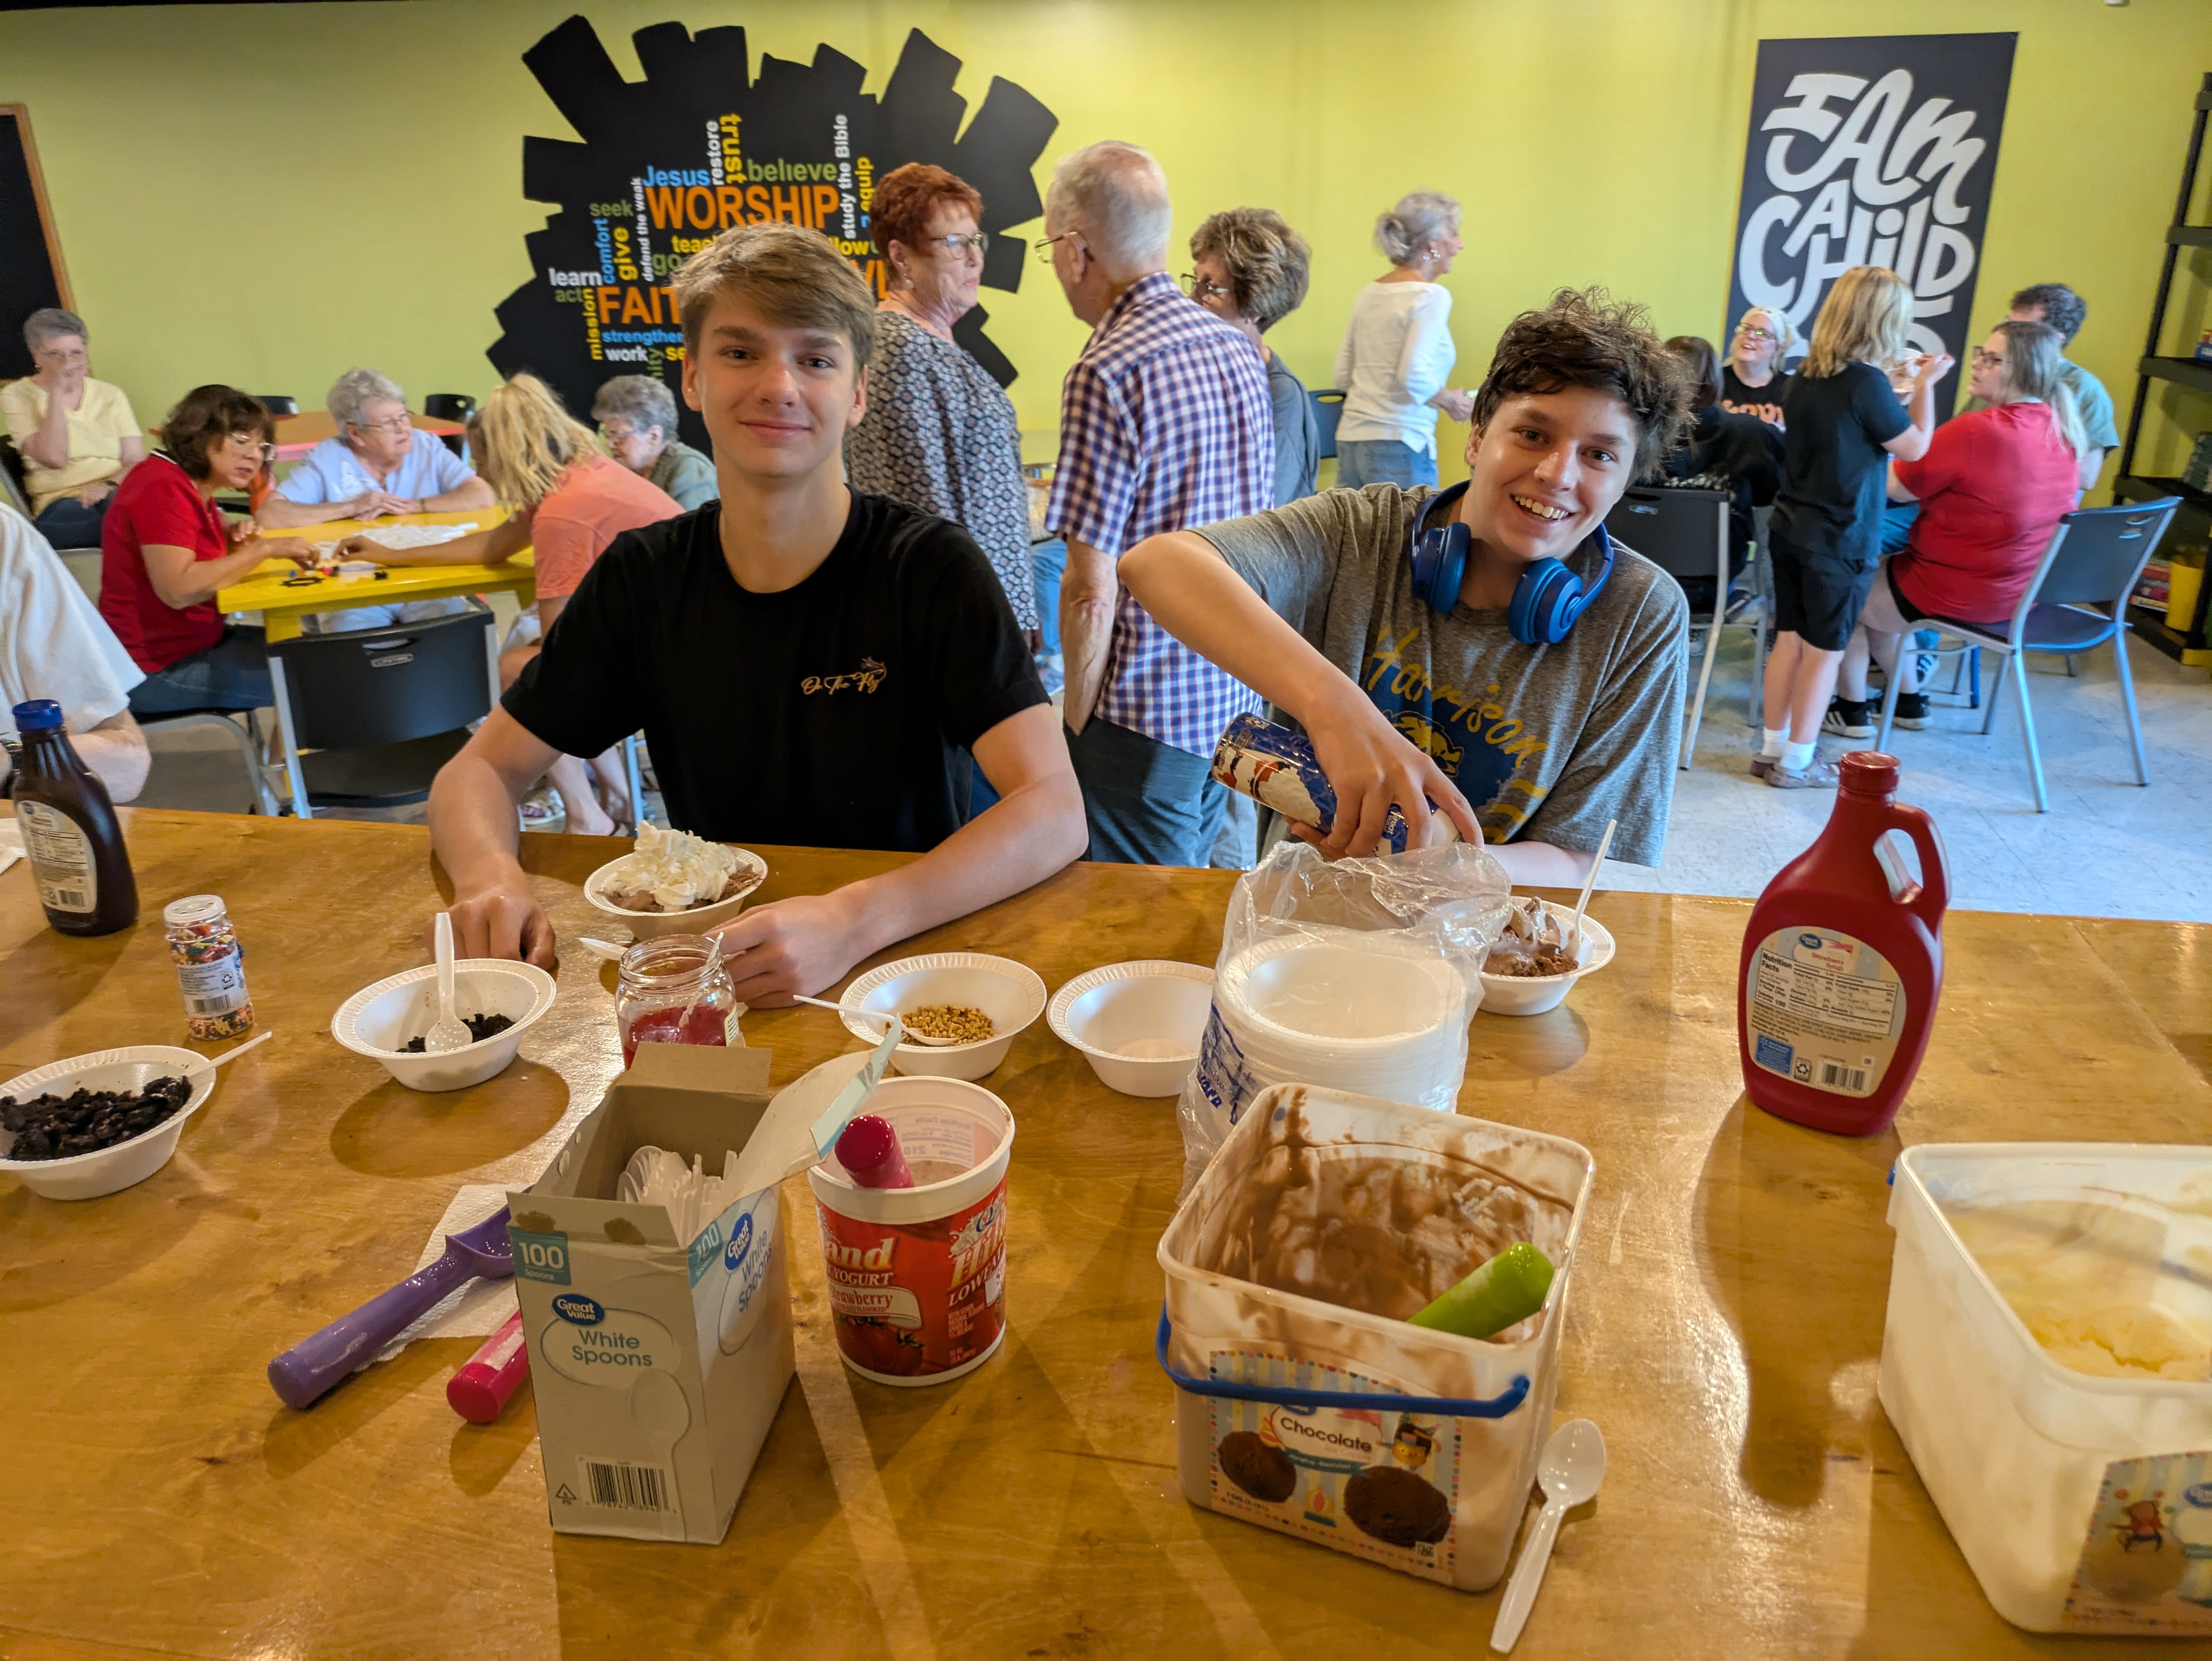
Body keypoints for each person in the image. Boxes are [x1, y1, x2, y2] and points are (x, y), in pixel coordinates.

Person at [426, 221, 1086, 993]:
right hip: (716, 967)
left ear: (858, 392)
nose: (778, 385)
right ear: (693, 380)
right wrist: (489, 879)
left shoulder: (928, 567)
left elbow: (1053, 808)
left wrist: (855, 918)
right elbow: (479, 771)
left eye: (814, 358)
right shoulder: (644, 578)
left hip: (906, 962)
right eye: (740, 352)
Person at [1117, 287, 1694, 879]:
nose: (1556, 474)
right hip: (1305, 923)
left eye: (1599, 455)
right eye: (1532, 435)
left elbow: (1577, 858)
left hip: (1484, 941)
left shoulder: (1641, 611)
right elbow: (1157, 564)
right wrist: (1334, 706)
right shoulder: (1360, 530)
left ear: (1626, 481)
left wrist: (1434, 864)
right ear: (1476, 437)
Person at [1042, 142, 1274, 869]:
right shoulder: (1236, 348)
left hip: (1141, 712)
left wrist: (1074, 721)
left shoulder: (1106, 370)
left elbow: (1088, 590)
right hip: (1229, 689)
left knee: (1134, 925)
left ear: (1077, 253)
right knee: (1197, 902)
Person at [337, 373, 681, 835]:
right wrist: (392, 554)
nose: (479, 474)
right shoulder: (578, 475)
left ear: (507, 456)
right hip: (670, 625)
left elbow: (564, 655)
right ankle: (617, 797)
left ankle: (588, 815)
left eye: (481, 461)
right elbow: (491, 548)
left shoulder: (565, 513)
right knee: (534, 662)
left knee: (521, 672)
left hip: (678, 648)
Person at [1828, 320, 2085, 736]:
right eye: (1981, 353)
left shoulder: (1977, 429)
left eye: (1993, 359)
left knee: (1843, 590)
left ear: (2021, 370)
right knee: (1878, 582)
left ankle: (1851, 712)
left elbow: (1896, 485)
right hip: (2020, 594)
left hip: (1960, 591)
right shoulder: (2061, 428)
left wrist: (1911, 399)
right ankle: (1908, 704)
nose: (1978, 364)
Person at [1755, 268, 1951, 789]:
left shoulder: (1801, 379)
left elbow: (1854, 426)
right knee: (1825, 651)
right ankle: (1798, 762)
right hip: (1840, 537)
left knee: (1789, 642)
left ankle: (1772, 746)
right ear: (1886, 319)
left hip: (1790, 528)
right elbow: (1914, 447)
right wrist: (1927, 387)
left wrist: (1897, 393)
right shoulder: (1866, 383)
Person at [844, 161, 1039, 639]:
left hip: (983, 610)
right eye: (954, 242)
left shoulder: (933, 342)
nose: (974, 259)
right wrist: (986, 620)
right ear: (902, 257)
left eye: (976, 241)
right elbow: (925, 506)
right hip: (953, 622)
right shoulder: (900, 347)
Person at [99, 386, 315, 717]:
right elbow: (178, 590)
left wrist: (228, 533)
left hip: (194, 643)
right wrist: (266, 549)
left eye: (262, 447)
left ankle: (282, 763)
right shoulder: (163, 486)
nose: (254, 456)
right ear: (201, 434)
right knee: (314, 675)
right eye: (242, 441)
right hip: (153, 670)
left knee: (317, 653)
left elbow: (189, 539)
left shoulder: (188, 482)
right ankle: (285, 767)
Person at [0, 502, 149, 801]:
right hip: (155, 660)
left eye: (261, 450)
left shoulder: (7, 538)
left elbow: (128, 765)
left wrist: (11, 761)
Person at [1331, 192, 1475, 490]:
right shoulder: (1431, 296)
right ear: (1432, 244)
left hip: (1351, 440)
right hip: (1402, 444)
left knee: (1352, 537)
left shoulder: (1369, 293)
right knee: (1407, 537)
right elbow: (1412, 375)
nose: (1460, 244)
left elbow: (1343, 375)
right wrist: (1452, 402)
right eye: (1454, 233)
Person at [1186, 208, 1319, 507]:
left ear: (1255, 306)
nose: (1192, 298)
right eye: (1195, 281)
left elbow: (1266, 517)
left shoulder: (1280, 395)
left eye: (1209, 286)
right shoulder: (1201, 375)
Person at [256, 368, 493, 528]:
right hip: (357, 582)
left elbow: (482, 495)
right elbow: (270, 515)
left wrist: (416, 507)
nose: (403, 428)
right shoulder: (328, 459)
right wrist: (350, 507)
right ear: (356, 433)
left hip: (426, 577)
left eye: (404, 416)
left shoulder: (425, 445)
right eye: (389, 422)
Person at [1, 308, 146, 550]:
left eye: (76, 353)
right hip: (60, 502)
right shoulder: (16, 395)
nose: (67, 363)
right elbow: (54, 458)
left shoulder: (110, 394)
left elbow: (135, 460)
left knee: (150, 513)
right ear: (36, 356)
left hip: (114, 491)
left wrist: (106, 486)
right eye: (55, 354)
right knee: (119, 524)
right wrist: (56, 393)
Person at [1659, 335, 1783, 610]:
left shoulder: (1630, 434)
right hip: (1707, 589)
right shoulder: (1751, 434)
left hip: (1630, 578)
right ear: (1715, 382)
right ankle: (1778, 618)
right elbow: (1767, 495)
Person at [2005, 282, 2119, 493]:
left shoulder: (2085, 389)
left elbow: (2086, 476)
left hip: (2041, 511)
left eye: (2022, 332)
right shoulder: (2000, 370)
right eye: (2008, 326)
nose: (2007, 338)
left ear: (2056, 340)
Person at [591, 374, 719, 511]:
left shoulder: (690, 472)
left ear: (654, 436)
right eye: (609, 434)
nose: (610, 444)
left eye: (620, 436)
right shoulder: (628, 471)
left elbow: (687, 531)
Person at [1718, 305, 1796, 428]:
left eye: (1762, 333)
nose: (1751, 336)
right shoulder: (1714, 382)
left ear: (1779, 348)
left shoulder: (1791, 390)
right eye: (1747, 329)